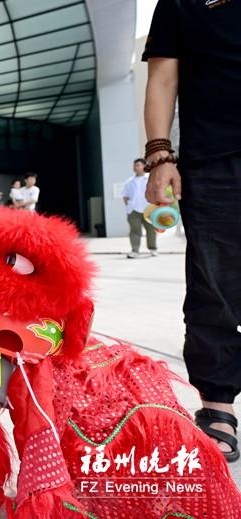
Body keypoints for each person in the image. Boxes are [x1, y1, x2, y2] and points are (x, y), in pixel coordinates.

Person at [143, 0, 241, 462]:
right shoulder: (180, 2)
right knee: (213, 288)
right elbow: (163, 77)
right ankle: (218, 407)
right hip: (215, 161)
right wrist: (161, 156)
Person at [121, 158, 157, 259]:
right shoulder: (129, 182)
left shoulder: (150, 179)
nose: (135, 167)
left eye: (137, 165)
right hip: (134, 211)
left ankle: (153, 249)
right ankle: (135, 250)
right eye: (134, 165)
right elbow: (125, 196)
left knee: (151, 230)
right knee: (135, 231)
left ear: (144, 166)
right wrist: (129, 206)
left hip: (148, 209)